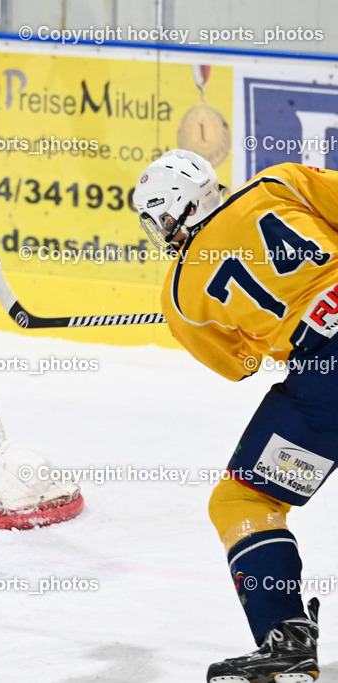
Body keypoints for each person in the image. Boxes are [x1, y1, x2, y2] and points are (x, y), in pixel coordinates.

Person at [134, 149, 338, 682]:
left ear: (177, 210)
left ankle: (286, 638)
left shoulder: (180, 293)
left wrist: (269, 332)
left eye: (157, 218)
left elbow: (239, 365)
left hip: (327, 376)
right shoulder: (281, 182)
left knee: (244, 500)